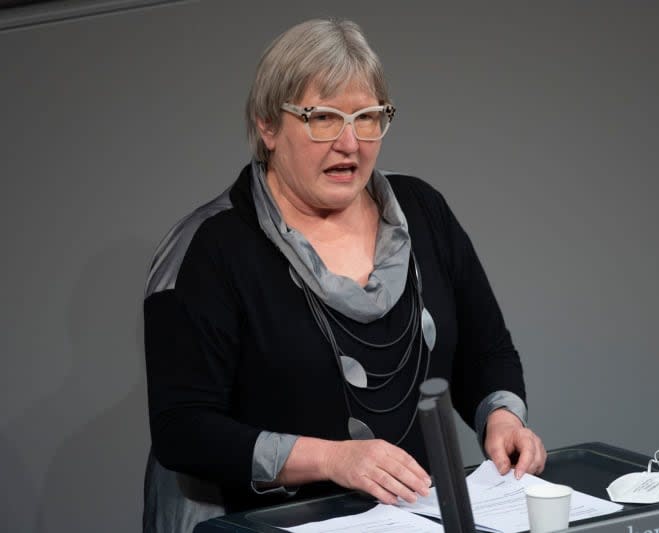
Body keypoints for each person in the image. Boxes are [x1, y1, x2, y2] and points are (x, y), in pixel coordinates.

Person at [143, 17, 546, 532]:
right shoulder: (206, 248)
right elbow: (183, 429)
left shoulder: (423, 212)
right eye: (324, 118)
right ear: (268, 125)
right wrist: (335, 459)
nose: (350, 143)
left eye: (368, 117)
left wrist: (503, 420)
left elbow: (486, 353)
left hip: (409, 520)